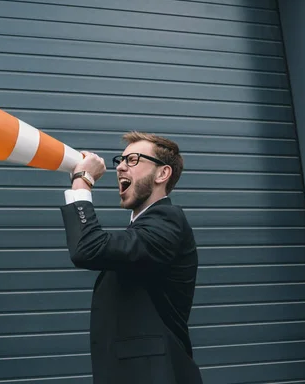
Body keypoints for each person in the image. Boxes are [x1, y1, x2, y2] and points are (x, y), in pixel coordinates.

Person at [60, 131, 203, 384]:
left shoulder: (168, 220)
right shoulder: (144, 229)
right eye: (121, 160)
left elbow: (88, 248)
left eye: (134, 160)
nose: (121, 167)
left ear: (162, 173)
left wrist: (82, 181)